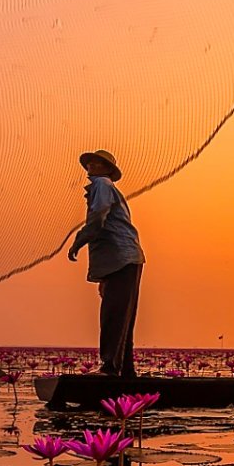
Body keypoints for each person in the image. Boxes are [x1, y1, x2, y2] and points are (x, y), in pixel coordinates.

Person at [67, 150, 144, 376]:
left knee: (114, 315)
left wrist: (79, 240)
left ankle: (110, 367)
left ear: (107, 169)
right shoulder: (103, 188)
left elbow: (99, 216)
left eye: (98, 163)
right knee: (121, 316)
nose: (91, 165)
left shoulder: (102, 184)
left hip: (123, 258)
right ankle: (125, 372)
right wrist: (104, 277)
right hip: (121, 260)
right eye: (90, 162)